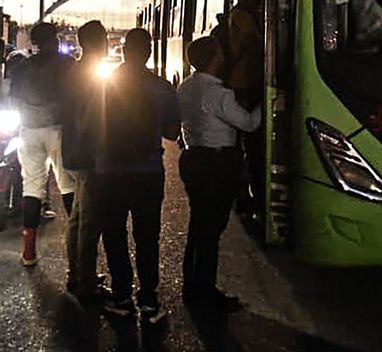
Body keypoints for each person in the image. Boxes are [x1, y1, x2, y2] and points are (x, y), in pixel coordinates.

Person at [99, 28, 180, 323]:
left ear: (123, 50)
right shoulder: (162, 87)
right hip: (149, 172)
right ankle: (148, 298)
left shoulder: (104, 85)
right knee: (147, 235)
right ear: (148, 52)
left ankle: (121, 294)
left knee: (115, 232)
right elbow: (172, 133)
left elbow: (92, 126)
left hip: (111, 171)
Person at [177, 37, 260, 311]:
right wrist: (270, 100)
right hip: (217, 164)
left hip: (193, 159)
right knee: (211, 231)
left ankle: (191, 287)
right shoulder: (218, 94)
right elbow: (248, 124)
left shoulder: (185, 87)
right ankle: (206, 293)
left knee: (198, 226)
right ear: (213, 58)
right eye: (220, 54)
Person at [11, 21, 76, 267]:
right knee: (68, 186)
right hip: (59, 130)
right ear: (54, 40)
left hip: (28, 131)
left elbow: (13, 99)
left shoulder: (21, 67)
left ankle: (28, 253)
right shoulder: (67, 65)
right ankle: (76, 255)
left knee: (32, 188)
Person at [61, 20, 112, 304]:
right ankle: (86, 282)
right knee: (90, 221)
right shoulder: (91, 74)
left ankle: (76, 273)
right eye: (103, 38)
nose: (107, 43)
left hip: (75, 152)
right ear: (94, 42)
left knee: (78, 218)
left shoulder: (77, 70)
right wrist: (97, 152)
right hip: (88, 154)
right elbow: (87, 119)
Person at [215, 0, 265, 221]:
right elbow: (253, 49)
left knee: (247, 146)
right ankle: (247, 196)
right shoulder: (243, 17)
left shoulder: (243, 15)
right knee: (251, 146)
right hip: (245, 87)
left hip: (245, 86)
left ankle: (246, 194)